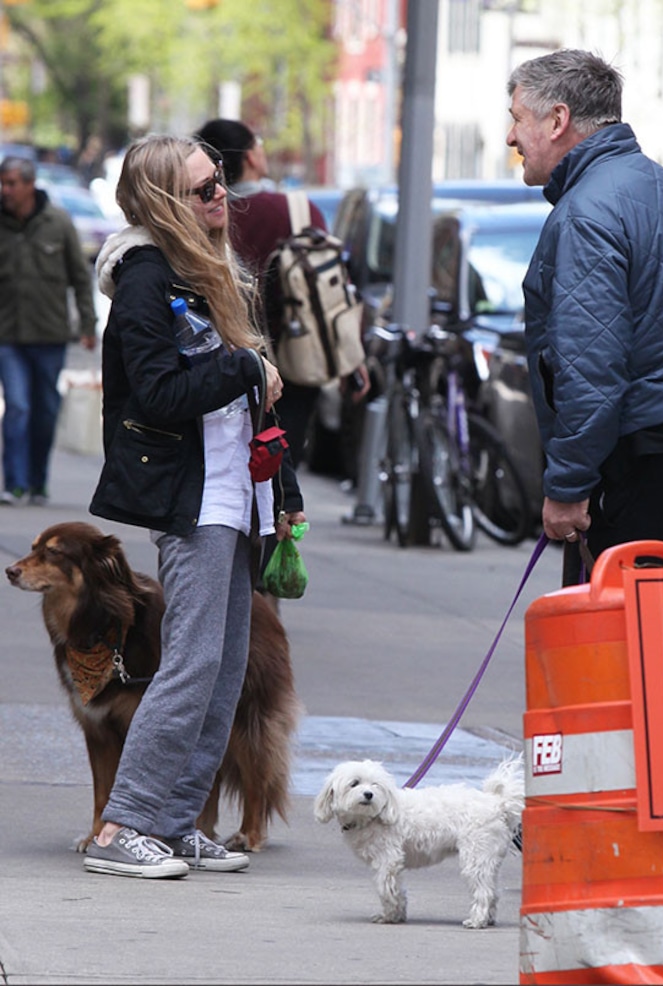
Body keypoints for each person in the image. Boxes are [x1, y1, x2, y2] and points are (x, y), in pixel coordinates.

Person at [84, 133, 305, 879]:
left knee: (225, 664)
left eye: (221, 183)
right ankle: (125, 826)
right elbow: (159, 394)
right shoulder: (147, 279)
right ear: (163, 203)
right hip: (193, 495)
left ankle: (173, 821)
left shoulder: (207, 272)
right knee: (192, 660)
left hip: (236, 493)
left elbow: (254, 409)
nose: (222, 198)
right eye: (204, 189)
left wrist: (284, 493)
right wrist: (243, 364)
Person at [505, 49, 663, 575]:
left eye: (518, 119)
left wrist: (567, 487)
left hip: (638, 461)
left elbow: (590, 369)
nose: (511, 138)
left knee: (614, 642)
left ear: (559, 119)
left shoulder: (587, 212)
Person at [193, 118, 370, 468]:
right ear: (250, 157)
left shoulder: (197, 215)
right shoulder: (297, 210)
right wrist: (351, 360)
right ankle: (281, 519)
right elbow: (331, 291)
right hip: (294, 359)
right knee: (278, 462)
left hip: (217, 359)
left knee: (219, 462)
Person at [0, 155, 97, 506]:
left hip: (50, 335)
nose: (5, 190)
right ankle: (15, 483)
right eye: (3, 183)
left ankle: (38, 479)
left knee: (44, 411)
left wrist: (88, 325)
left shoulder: (58, 222)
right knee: (18, 407)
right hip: (8, 336)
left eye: (11, 183)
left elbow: (79, 278)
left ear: (29, 185)